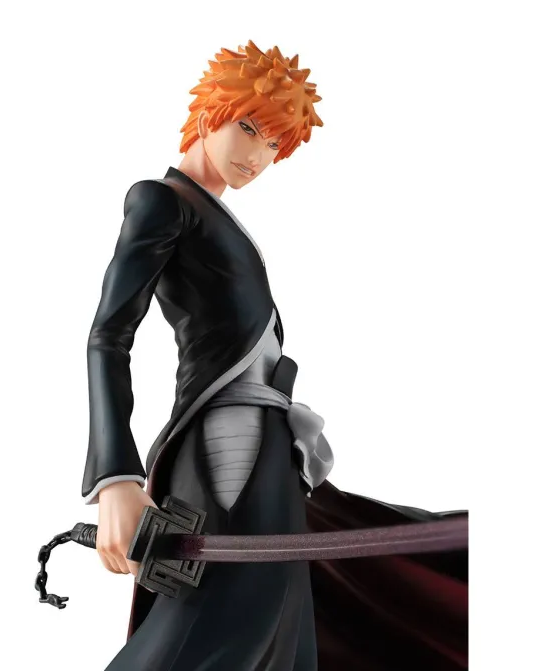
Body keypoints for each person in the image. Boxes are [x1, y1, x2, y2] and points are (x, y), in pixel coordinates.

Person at [81, 40, 468, 670]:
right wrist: (115, 479)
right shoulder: (162, 200)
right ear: (211, 111)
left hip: (270, 445)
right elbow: (108, 334)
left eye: (274, 144)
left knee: (286, 630)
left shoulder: (218, 219)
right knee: (219, 621)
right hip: (226, 446)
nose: (258, 156)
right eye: (248, 128)